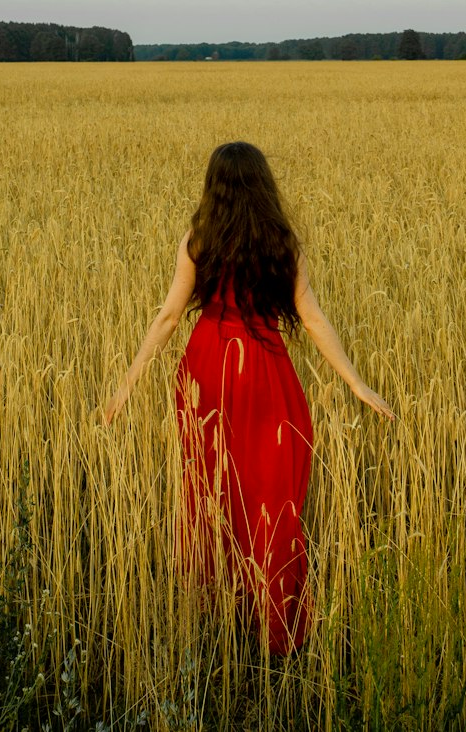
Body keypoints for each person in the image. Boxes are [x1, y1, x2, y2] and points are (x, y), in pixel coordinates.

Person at [103, 140, 394, 653]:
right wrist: (356, 382)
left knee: (209, 494)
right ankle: (274, 628)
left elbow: (169, 317)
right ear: (264, 188)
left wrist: (127, 383)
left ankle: (217, 618)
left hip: (208, 371)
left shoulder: (199, 239)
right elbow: (313, 319)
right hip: (266, 374)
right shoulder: (283, 242)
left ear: (213, 188)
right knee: (271, 499)